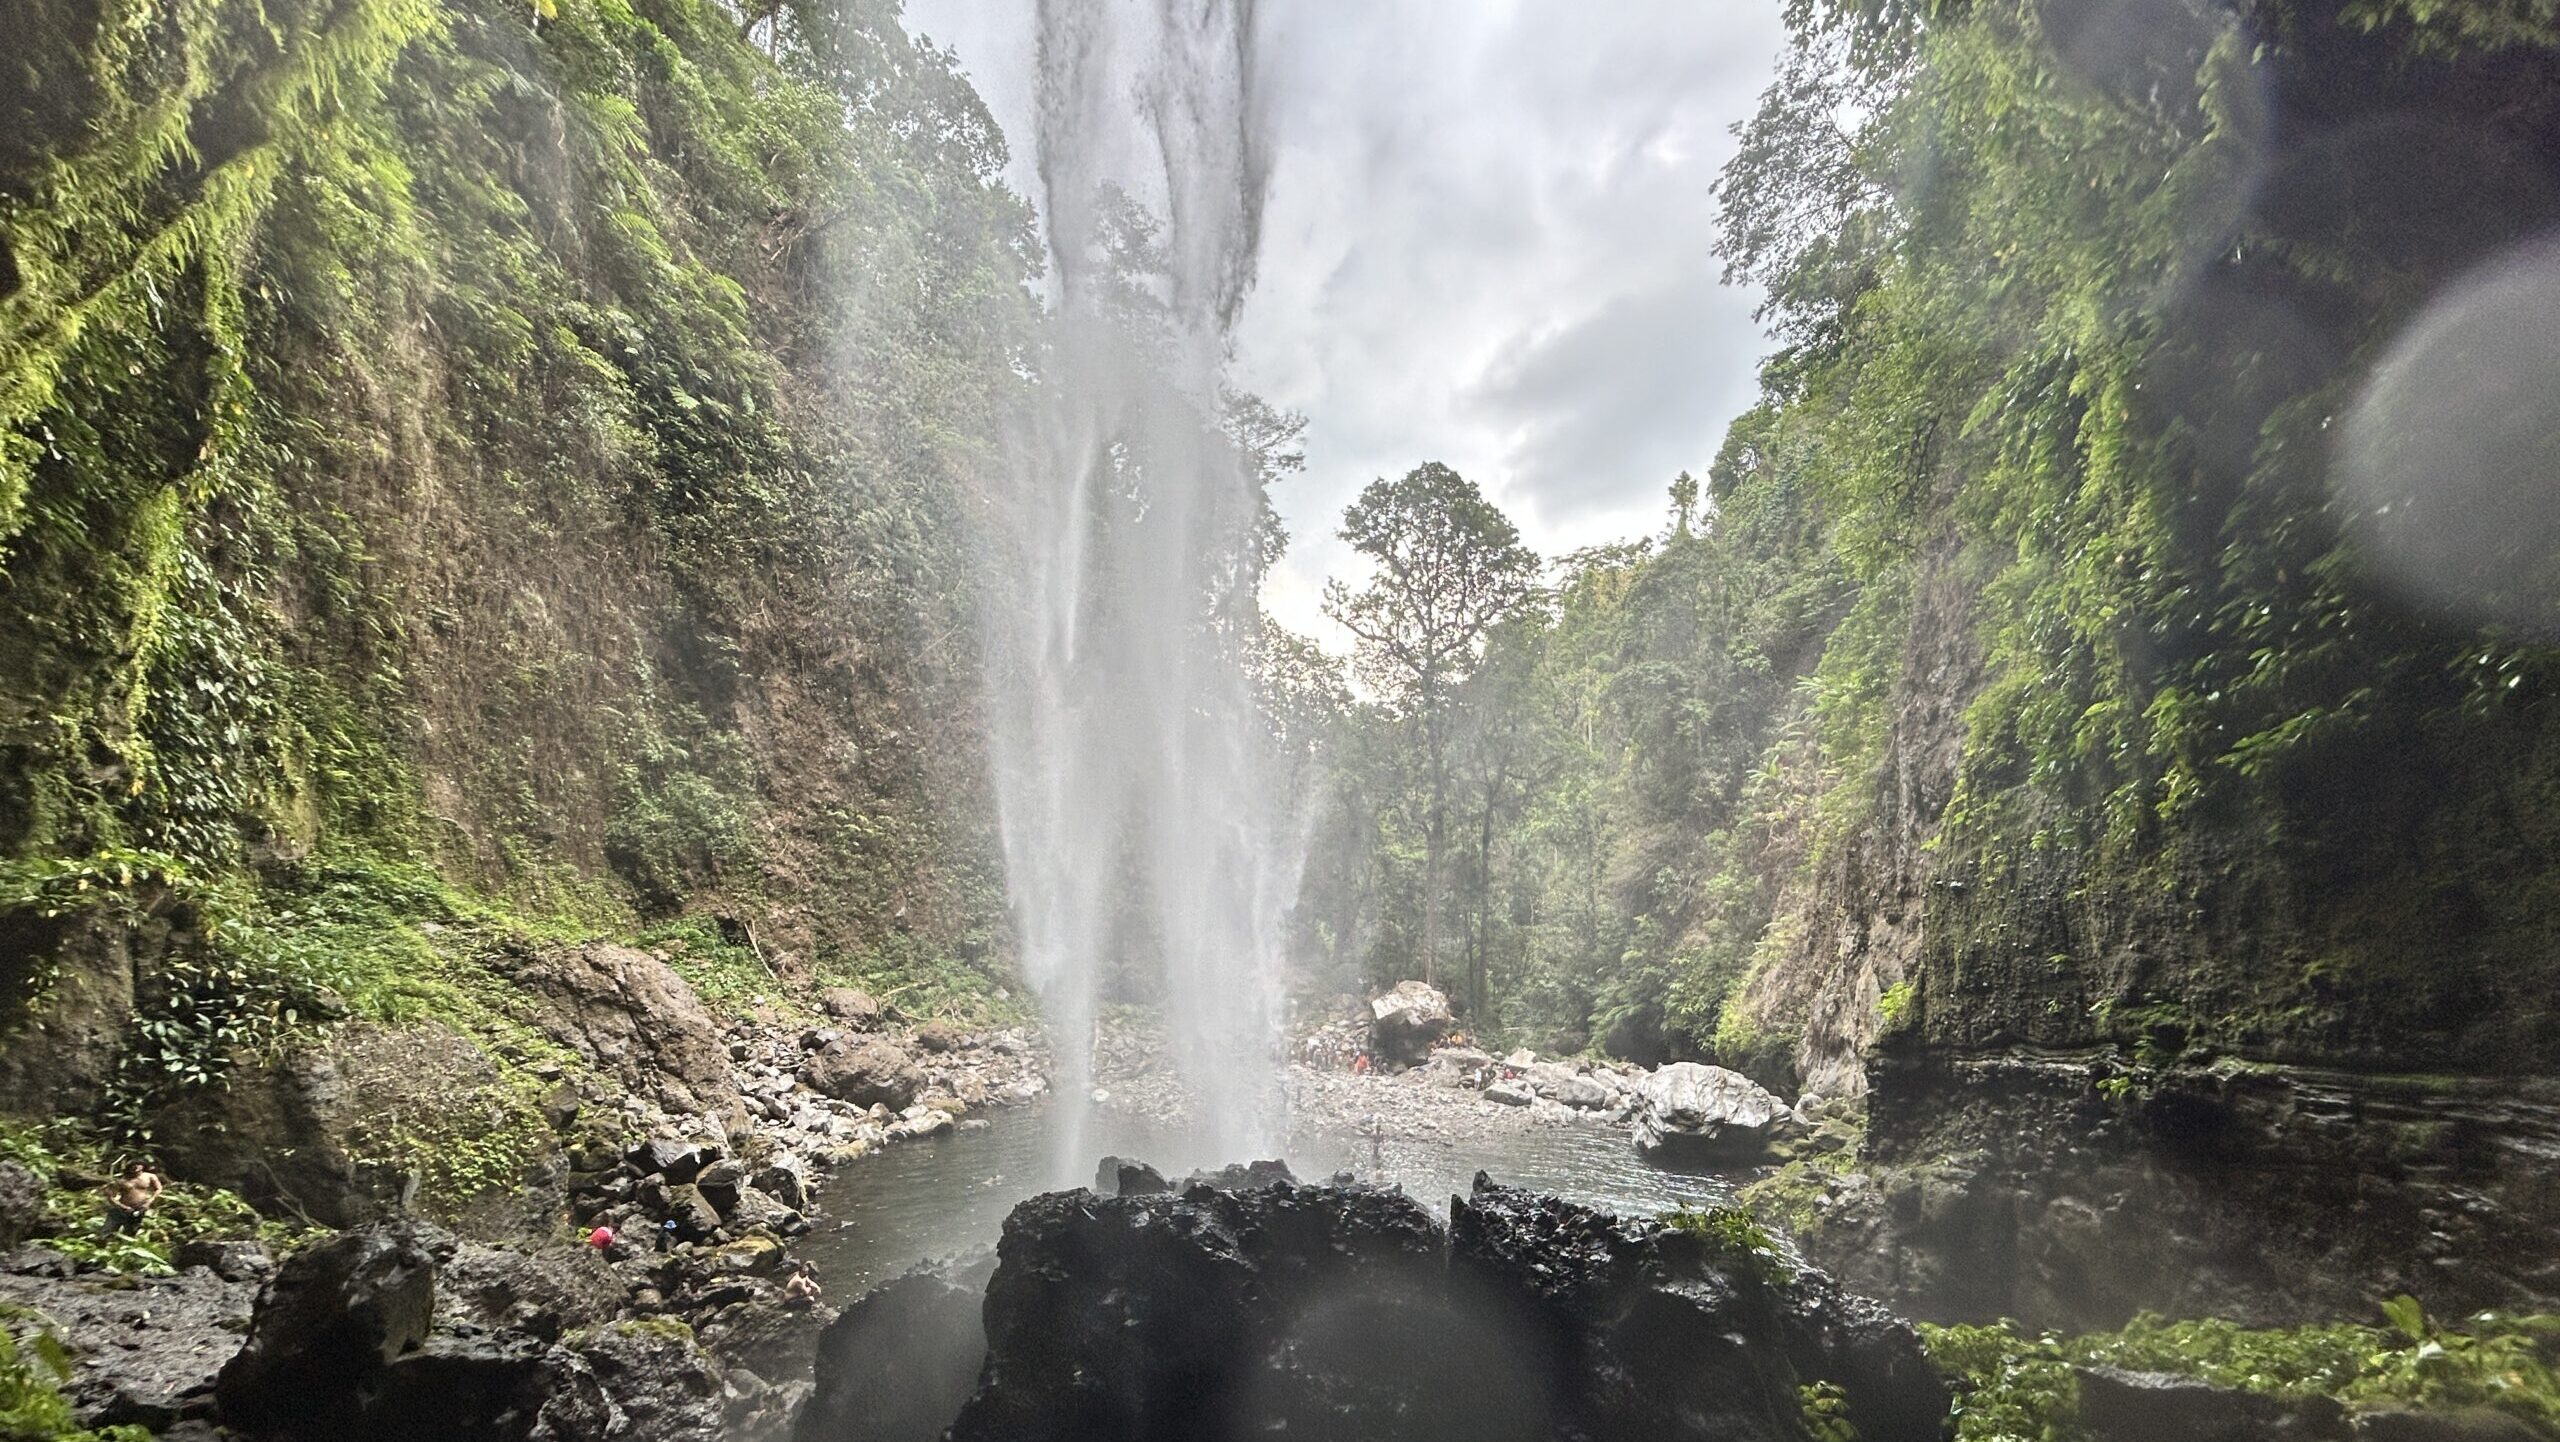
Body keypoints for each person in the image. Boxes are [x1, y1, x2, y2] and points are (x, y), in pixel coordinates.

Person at [103, 1162, 162, 1235]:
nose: (135, 1167)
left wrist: (149, 1201)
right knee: (108, 1231)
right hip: (122, 1209)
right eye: (133, 1165)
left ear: (142, 1166)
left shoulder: (150, 1177)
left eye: (138, 1165)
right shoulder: (122, 1181)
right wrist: (123, 1207)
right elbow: (110, 1197)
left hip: (140, 1208)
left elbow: (158, 1189)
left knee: (131, 1231)